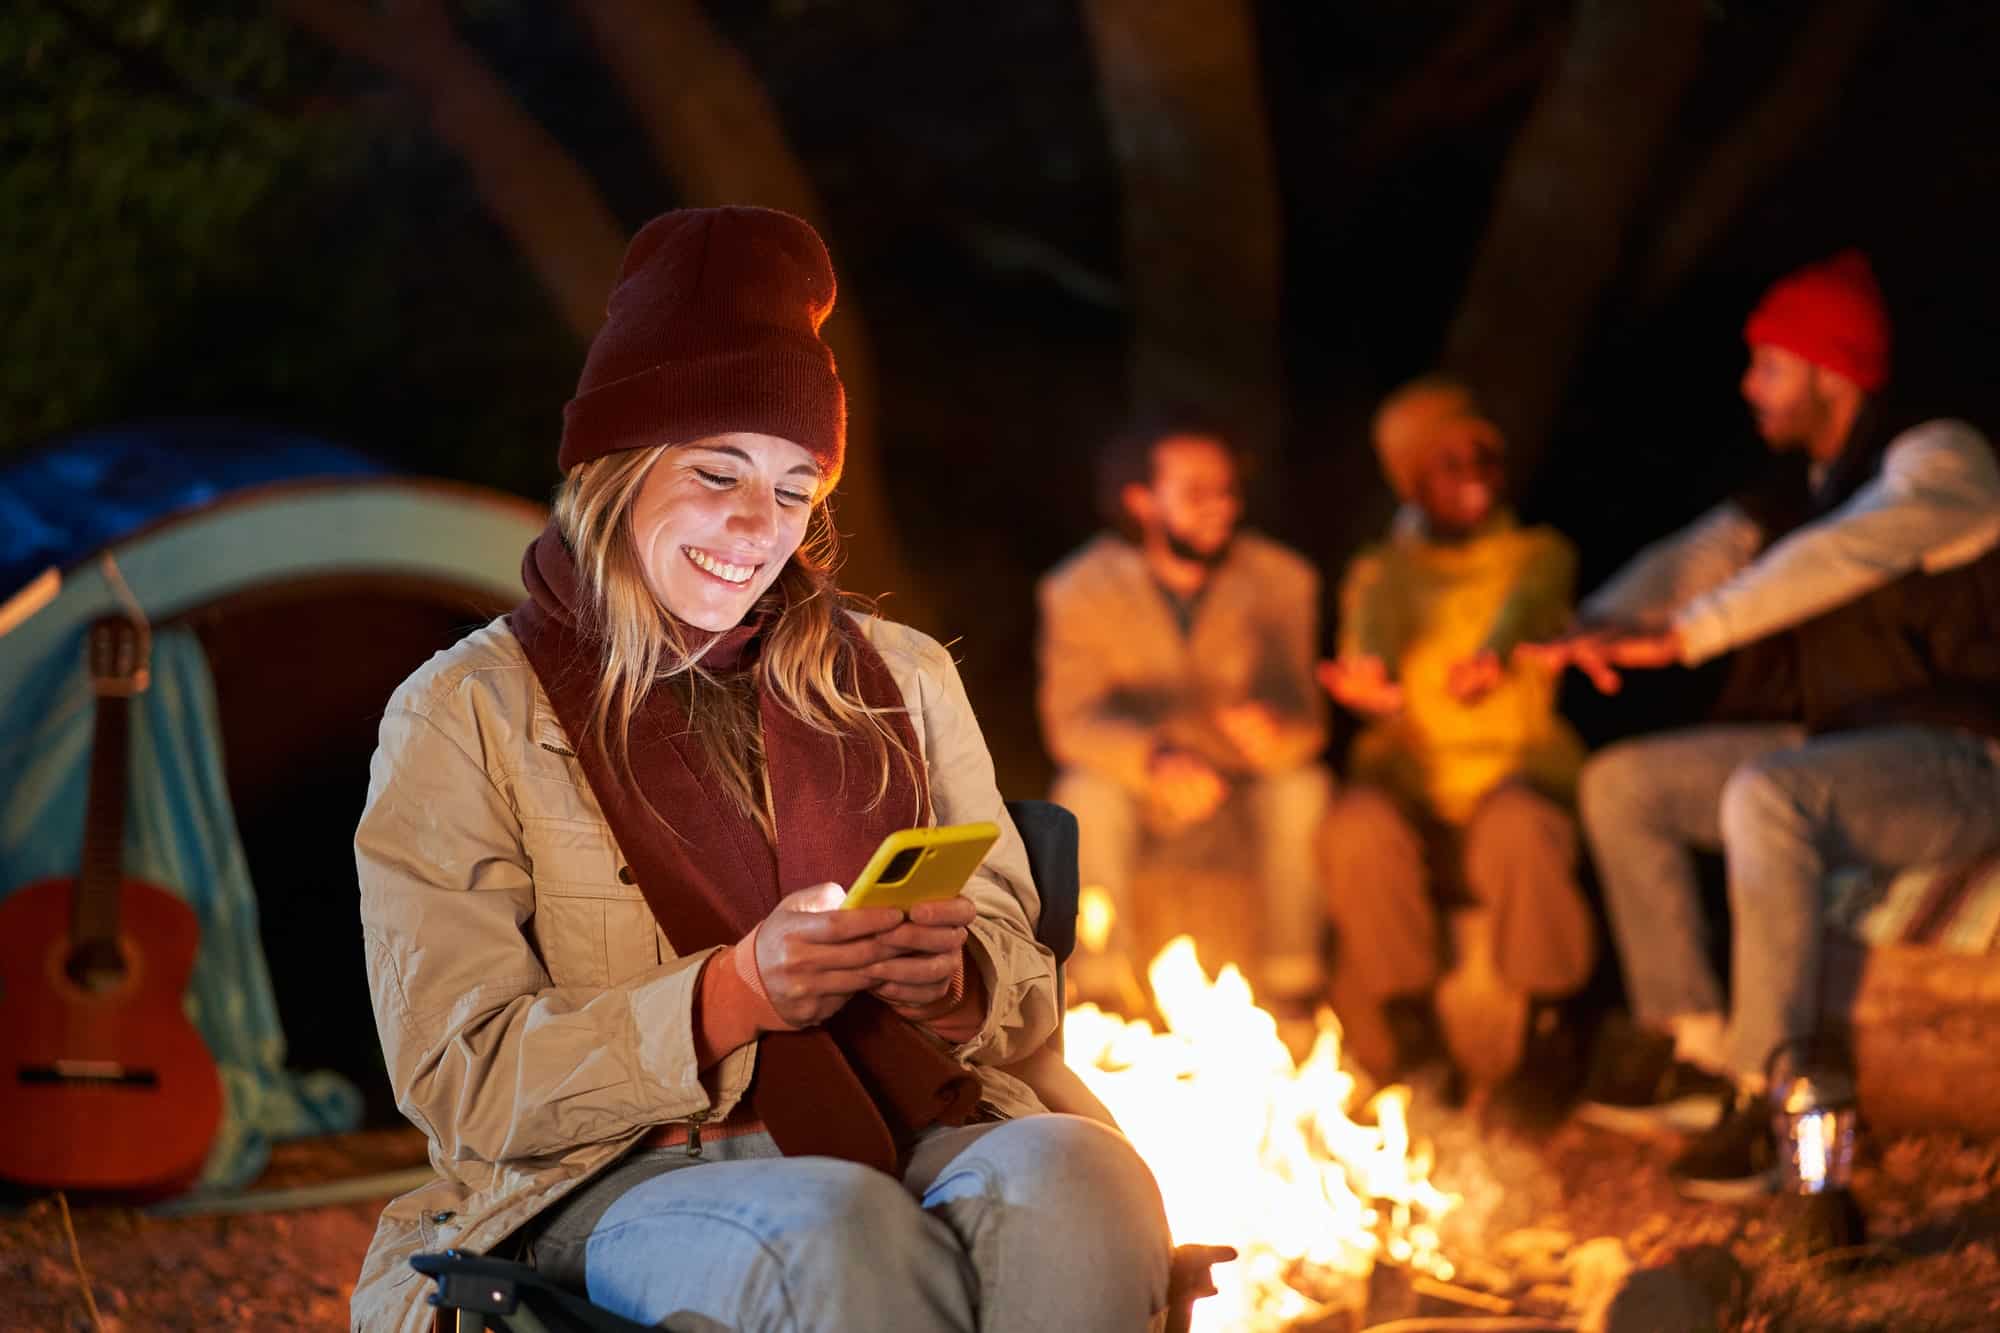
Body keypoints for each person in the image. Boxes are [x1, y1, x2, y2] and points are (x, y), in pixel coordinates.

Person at [350, 207, 1172, 1332]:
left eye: (793, 490)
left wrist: (954, 977)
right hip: (620, 1173)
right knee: (834, 1226)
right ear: (616, 470)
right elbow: (465, 1078)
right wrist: (732, 992)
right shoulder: (465, 713)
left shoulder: (902, 676)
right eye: (717, 472)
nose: (755, 524)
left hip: (916, 1119)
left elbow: (1018, 977)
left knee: (1084, 1177)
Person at [1530, 250, 2000, 1198]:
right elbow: (1699, 554)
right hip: (1840, 750)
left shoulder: (1941, 458)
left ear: (1829, 370)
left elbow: (1839, 553)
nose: (1749, 385)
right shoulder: (1798, 486)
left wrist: (1691, 635)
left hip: (1959, 761)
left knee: (1767, 793)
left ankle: (1768, 1088)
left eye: (1768, 363)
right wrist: (1580, 634)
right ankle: (1693, 1045)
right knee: (1625, 784)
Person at [1317, 377, 1596, 1086]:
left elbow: (1529, 606)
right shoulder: (1382, 572)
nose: (1472, 472)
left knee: (1521, 824)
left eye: (1485, 455)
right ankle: (1411, 1033)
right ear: (1412, 480)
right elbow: (1371, 629)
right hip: (1418, 793)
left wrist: (1495, 653)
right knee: (1356, 826)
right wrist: (1372, 678)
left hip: (1511, 778)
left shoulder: (1537, 553)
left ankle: (1550, 1028)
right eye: (1449, 460)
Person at [1037, 421, 1332, 1010]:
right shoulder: (1080, 590)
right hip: (1143, 791)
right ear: (1141, 499)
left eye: (1226, 491)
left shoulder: (1281, 581)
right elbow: (1070, 722)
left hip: (1241, 790)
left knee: (1305, 787)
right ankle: (1100, 989)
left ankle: (1293, 985)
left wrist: (1276, 731)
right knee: (1081, 793)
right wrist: (1154, 758)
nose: (1220, 507)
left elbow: (1309, 723)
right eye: (1197, 492)